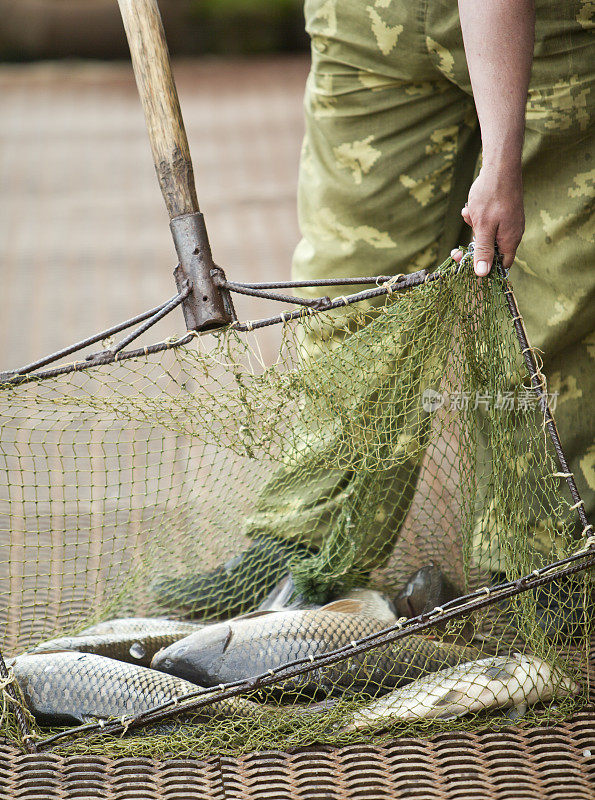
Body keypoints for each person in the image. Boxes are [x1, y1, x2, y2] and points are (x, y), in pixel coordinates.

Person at [154, 0, 594, 617]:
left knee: (553, 299)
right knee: (346, 302)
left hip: (548, 27)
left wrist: (501, 162)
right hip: (369, 21)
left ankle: (544, 559)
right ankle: (304, 545)